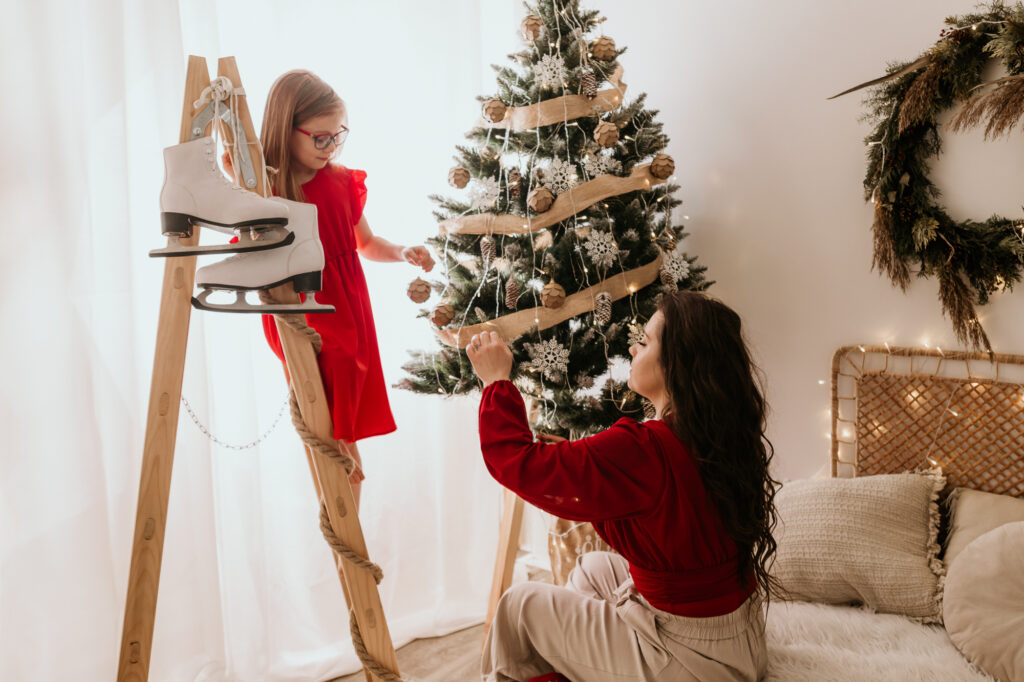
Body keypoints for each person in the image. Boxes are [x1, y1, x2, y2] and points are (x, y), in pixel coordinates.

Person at [466, 290, 780, 682]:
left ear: (678, 363)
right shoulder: (716, 434)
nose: (633, 347)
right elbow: (662, 497)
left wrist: (496, 381)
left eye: (645, 342)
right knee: (595, 567)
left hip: (691, 660)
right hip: (739, 642)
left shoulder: (644, 448)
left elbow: (518, 464)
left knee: (519, 604)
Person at [227, 70, 434, 508]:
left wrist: (402, 252)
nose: (330, 148)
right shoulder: (270, 188)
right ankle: (344, 469)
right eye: (320, 138)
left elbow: (366, 243)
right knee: (326, 398)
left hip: (348, 302)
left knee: (345, 401)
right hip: (303, 305)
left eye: (337, 137)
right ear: (287, 130)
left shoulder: (340, 181)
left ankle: (345, 508)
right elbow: (248, 242)